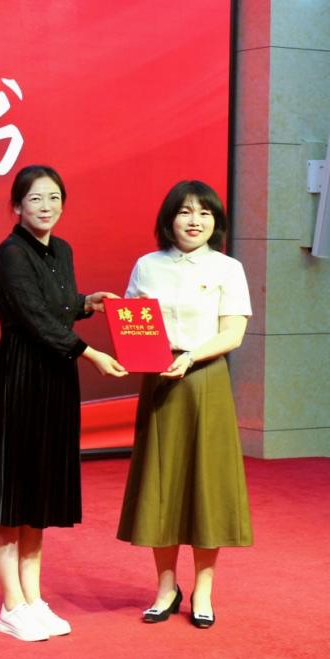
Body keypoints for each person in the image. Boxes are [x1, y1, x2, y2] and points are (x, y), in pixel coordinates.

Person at [0, 164, 127, 642]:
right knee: (13, 494)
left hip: (56, 380)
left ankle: (33, 597)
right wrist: (92, 353)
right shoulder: (10, 253)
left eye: (54, 198)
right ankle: (11, 605)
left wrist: (87, 303)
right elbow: (35, 318)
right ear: (17, 206)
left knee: (40, 492)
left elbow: (57, 305)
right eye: (36, 199)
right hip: (22, 377)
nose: (46, 207)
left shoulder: (61, 249)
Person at [116, 179, 252, 629]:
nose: (195, 221)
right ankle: (166, 587)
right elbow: (134, 325)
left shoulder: (228, 268)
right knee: (162, 485)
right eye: (185, 212)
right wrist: (135, 335)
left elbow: (233, 333)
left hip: (206, 378)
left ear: (216, 221)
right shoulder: (147, 265)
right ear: (169, 219)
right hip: (159, 380)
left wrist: (191, 356)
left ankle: (204, 590)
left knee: (207, 485)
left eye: (205, 213)